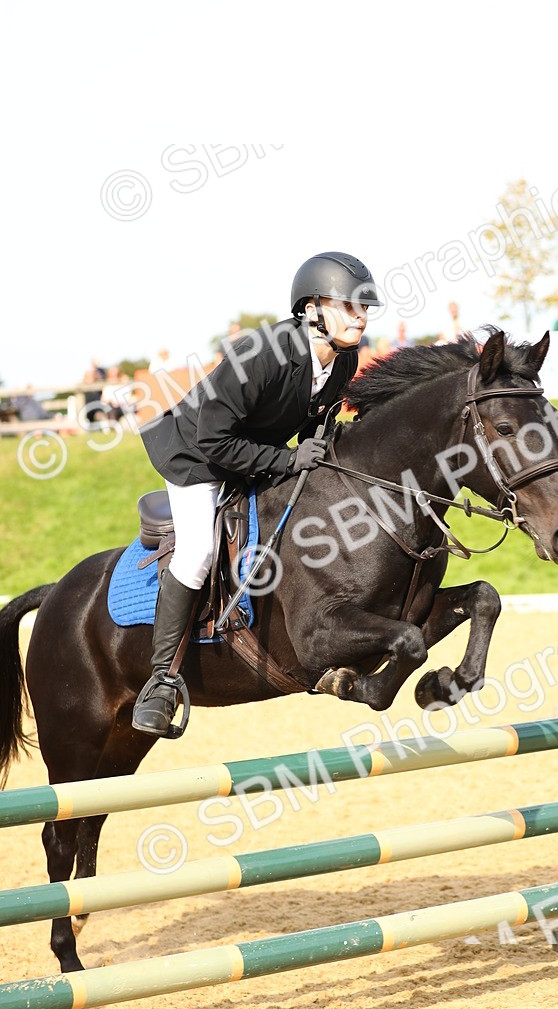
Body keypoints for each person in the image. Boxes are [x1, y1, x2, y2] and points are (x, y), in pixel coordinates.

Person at [132, 250, 382, 738]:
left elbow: (313, 421)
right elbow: (213, 439)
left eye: (365, 308)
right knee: (200, 550)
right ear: (312, 309)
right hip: (194, 455)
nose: (360, 316)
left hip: (253, 450)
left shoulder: (344, 360)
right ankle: (159, 682)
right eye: (349, 305)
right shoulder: (260, 354)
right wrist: (288, 460)